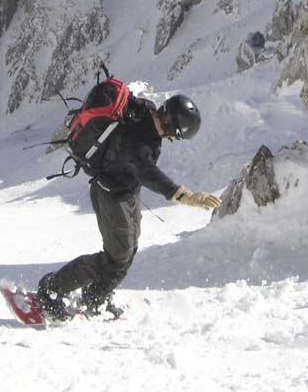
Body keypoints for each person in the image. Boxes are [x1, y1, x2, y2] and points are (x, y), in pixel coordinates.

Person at [36, 93, 221, 320]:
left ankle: (96, 297)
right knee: (117, 258)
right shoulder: (138, 143)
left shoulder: (146, 113)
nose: (174, 139)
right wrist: (186, 196)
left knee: (128, 249)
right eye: (177, 135)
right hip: (111, 196)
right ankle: (52, 289)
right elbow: (149, 173)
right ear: (171, 127)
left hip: (127, 193)